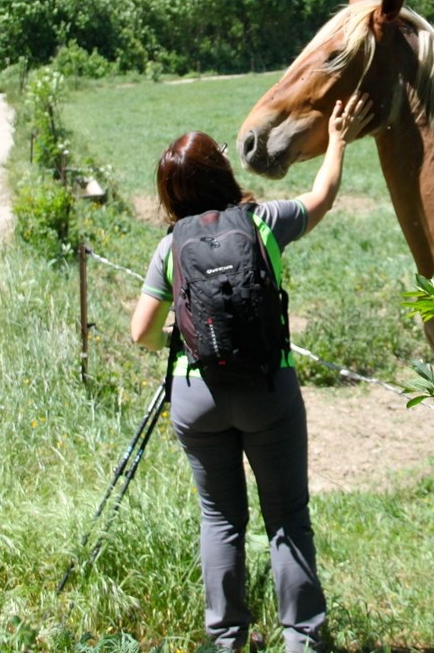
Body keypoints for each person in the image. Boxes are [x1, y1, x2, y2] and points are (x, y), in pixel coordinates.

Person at [130, 93, 372, 653]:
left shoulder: (171, 247)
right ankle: (302, 639)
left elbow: (140, 332)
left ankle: (227, 640)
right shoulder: (264, 222)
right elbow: (322, 197)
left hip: (198, 398)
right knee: (287, 517)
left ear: (171, 193)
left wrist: (180, 341)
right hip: (269, 391)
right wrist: (337, 141)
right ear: (222, 172)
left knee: (220, 519)